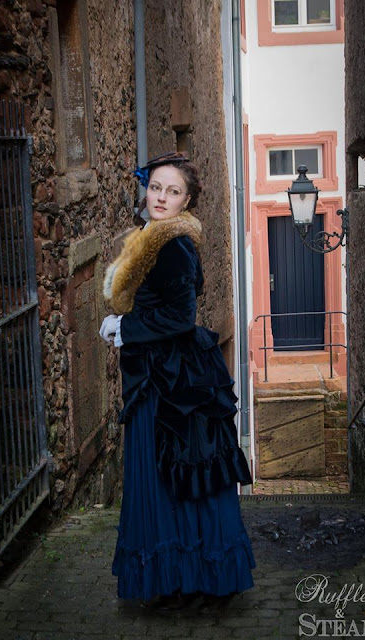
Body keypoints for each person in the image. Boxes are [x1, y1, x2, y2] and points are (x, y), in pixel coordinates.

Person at [99, 151, 255, 610]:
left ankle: (192, 576)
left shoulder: (174, 244)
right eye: (156, 187)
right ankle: (183, 577)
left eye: (173, 191)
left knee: (176, 473)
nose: (161, 197)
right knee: (172, 474)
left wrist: (125, 328)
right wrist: (127, 321)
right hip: (160, 370)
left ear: (186, 201)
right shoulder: (151, 238)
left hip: (172, 381)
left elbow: (181, 315)